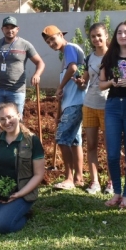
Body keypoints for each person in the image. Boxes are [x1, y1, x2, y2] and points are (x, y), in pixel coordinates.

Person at [0, 102, 45, 234]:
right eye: (3, 119)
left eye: (10, 117)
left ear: (18, 116)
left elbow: (39, 174)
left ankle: (24, 214)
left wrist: (19, 194)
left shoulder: (31, 140)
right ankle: (1, 208)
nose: (7, 122)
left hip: (21, 191)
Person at [99, 21, 126, 209]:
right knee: (112, 153)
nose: (123, 35)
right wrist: (112, 82)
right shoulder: (109, 57)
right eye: (119, 32)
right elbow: (101, 84)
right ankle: (116, 191)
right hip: (113, 106)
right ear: (115, 35)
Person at [42, 25, 85, 189]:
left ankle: (69, 179)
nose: (51, 43)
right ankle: (79, 178)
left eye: (53, 39)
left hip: (76, 102)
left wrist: (60, 87)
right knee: (74, 141)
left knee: (61, 137)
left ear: (61, 35)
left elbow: (73, 68)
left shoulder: (69, 48)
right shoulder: (66, 54)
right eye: (48, 42)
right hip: (72, 102)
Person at [0, 16, 45, 131]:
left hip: (16, 91)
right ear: (2, 29)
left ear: (17, 29)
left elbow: (40, 62)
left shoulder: (25, 44)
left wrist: (37, 74)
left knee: (16, 122)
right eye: (7, 27)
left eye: (12, 27)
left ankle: (16, 148)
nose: (10, 30)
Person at [80, 23, 113, 195]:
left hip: (108, 107)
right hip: (89, 105)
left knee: (110, 147)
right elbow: (85, 79)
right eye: (93, 36)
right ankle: (94, 182)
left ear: (106, 36)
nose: (96, 39)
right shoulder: (89, 58)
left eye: (99, 35)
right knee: (91, 145)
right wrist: (80, 81)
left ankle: (111, 182)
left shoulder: (113, 56)